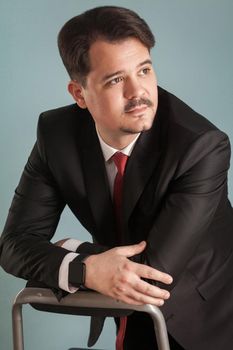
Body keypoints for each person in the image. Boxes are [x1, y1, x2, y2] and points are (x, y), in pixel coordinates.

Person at [0, 5, 233, 350]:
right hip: (129, 315)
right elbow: (14, 244)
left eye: (144, 70)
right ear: (79, 94)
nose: (138, 92)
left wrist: (66, 252)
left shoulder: (200, 147)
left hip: (209, 321)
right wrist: (87, 269)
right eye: (115, 79)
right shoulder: (56, 135)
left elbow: (148, 274)